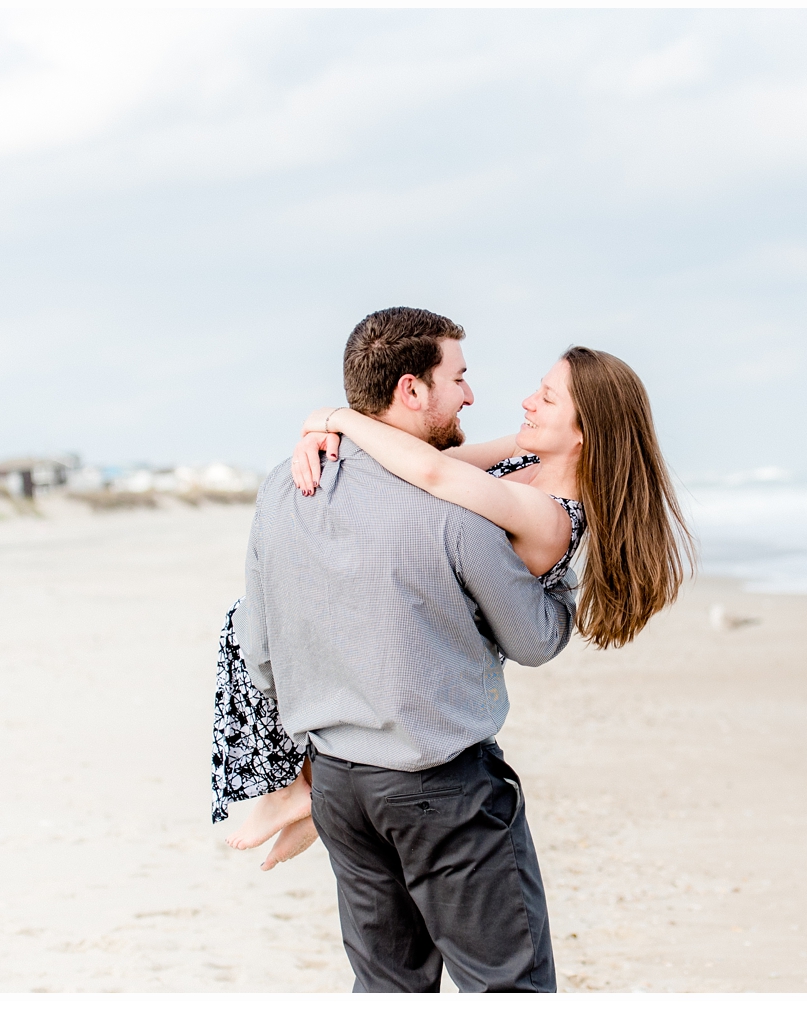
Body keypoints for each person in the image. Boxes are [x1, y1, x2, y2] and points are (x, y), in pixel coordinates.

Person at [212, 306, 692, 992]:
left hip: (345, 777)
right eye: (460, 376)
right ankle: (297, 793)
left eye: (546, 397)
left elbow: (435, 476)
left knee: (387, 985)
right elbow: (444, 484)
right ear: (413, 388)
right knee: (509, 986)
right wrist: (331, 426)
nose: (515, 397)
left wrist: (340, 423)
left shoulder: (529, 510)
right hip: (437, 785)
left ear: (583, 432)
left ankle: (301, 790)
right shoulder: (486, 499)